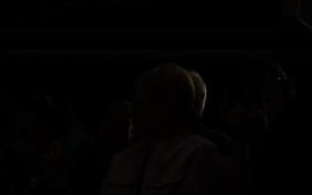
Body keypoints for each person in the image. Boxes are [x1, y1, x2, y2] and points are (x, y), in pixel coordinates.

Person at [97, 63, 228, 195]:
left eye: (142, 102)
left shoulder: (199, 153)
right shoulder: (123, 157)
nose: (134, 110)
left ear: (168, 106)